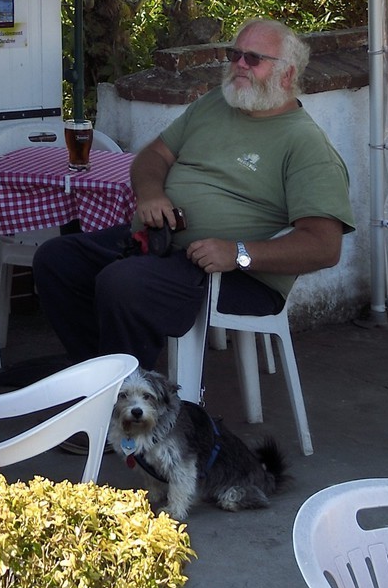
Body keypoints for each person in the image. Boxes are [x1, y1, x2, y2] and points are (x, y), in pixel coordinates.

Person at [32, 19, 353, 370]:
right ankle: (97, 376)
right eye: (235, 55)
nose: (239, 66)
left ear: (287, 75)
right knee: (56, 259)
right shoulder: (217, 103)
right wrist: (151, 193)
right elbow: (153, 156)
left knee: (122, 283)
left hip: (237, 275)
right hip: (160, 242)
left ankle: (130, 397)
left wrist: (239, 253)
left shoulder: (306, 144)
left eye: (253, 59)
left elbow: (324, 246)